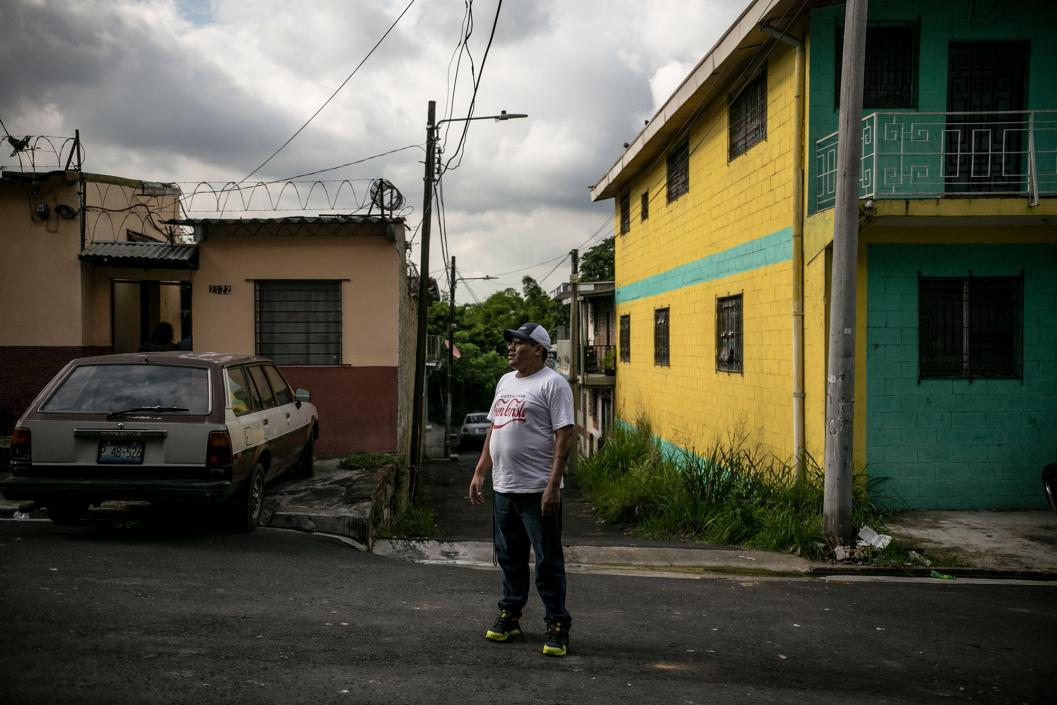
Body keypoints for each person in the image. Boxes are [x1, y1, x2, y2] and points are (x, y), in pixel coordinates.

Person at [469, 322, 575, 657]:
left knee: (547, 561)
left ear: (539, 350)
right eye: (511, 342)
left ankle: (557, 624)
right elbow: (494, 429)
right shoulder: (504, 381)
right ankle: (510, 615)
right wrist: (479, 472)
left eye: (519, 343)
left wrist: (553, 485)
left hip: (536, 489)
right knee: (510, 557)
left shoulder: (554, 384)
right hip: (504, 487)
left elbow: (564, 436)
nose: (511, 347)